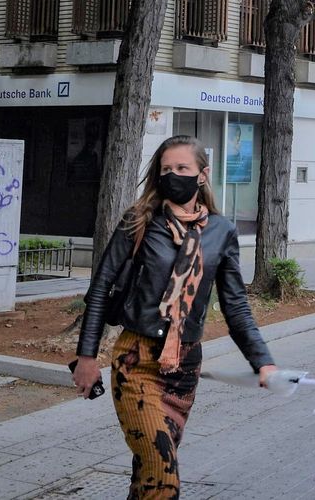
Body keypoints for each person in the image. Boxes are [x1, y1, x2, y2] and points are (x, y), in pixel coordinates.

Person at [73, 135, 277, 498]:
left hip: (183, 369)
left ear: (202, 174)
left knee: (148, 476)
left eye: (182, 168)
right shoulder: (138, 222)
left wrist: (262, 361)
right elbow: (101, 288)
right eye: (166, 169)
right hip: (135, 362)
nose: (173, 175)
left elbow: (235, 306)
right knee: (163, 476)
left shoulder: (222, 232)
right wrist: (87, 358)